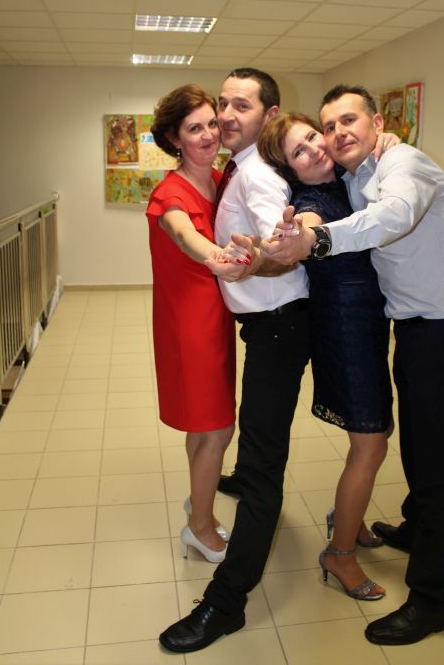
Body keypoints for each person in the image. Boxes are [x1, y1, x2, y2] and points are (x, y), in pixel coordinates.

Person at [262, 85, 444, 646]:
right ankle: (416, 526)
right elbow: (320, 206)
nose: (336, 134)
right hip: (409, 330)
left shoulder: (404, 164)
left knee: (439, 465)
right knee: (417, 447)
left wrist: (315, 240)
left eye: (349, 121)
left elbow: (395, 215)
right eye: (328, 126)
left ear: (378, 122)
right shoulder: (357, 172)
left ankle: (431, 600)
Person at [159, 68, 312, 654]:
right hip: (259, 325)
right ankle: (221, 496)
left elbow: (285, 247)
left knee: (261, 465)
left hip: (278, 325)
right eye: (221, 104)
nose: (224, 116)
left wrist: (252, 262)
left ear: (269, 115)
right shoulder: (237, 168)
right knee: (243, 443)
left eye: (238, 106)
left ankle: (226, 602)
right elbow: (186, 231)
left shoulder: (256, 176)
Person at [258, 111, 394, 601]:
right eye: (299, 151)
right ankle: (339, 554)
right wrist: (294, 236)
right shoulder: (312, 200)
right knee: (371, 442)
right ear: (290, 169)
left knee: (375, 436)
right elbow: (307, 226)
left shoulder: (345, 179)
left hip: (369, 324)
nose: (315, 148)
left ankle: (349, 518)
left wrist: (386, 140)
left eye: (313, 137)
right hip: (344, 331)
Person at [146, 84, 251, 565]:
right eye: (195, 128)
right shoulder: (170, 193)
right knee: (218, 427)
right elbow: (183, 233)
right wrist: (218, 257)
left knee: (205, 425)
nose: (209, 134)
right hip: (189, 325)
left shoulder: (219, 177)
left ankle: (199, 502)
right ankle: (200, 527)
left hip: (216, 317)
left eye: (212, 124)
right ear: (174, 138)